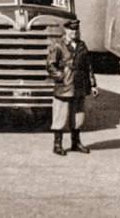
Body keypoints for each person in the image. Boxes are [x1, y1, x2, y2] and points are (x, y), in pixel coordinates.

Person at [46, 19, 98, 156]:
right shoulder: (58, 46)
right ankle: (57, 145)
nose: (74, 32)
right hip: (64, 87)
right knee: (60, 117)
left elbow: (88, 66)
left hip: (80, 86)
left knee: (78, 117)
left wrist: (93, 84)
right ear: (66, 31)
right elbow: (50, 66)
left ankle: (76, 142)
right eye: (71, 30)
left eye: (76, 30)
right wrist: (62, 77)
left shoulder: (82, 46)